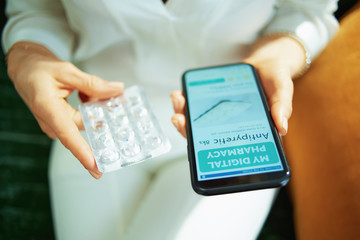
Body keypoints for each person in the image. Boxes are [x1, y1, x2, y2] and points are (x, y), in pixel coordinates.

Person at [2, 0, 339, 239]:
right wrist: (29, 56)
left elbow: (308, 11)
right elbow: (39, 8)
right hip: (100, 119)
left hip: (233, 120)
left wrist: (279, 51)